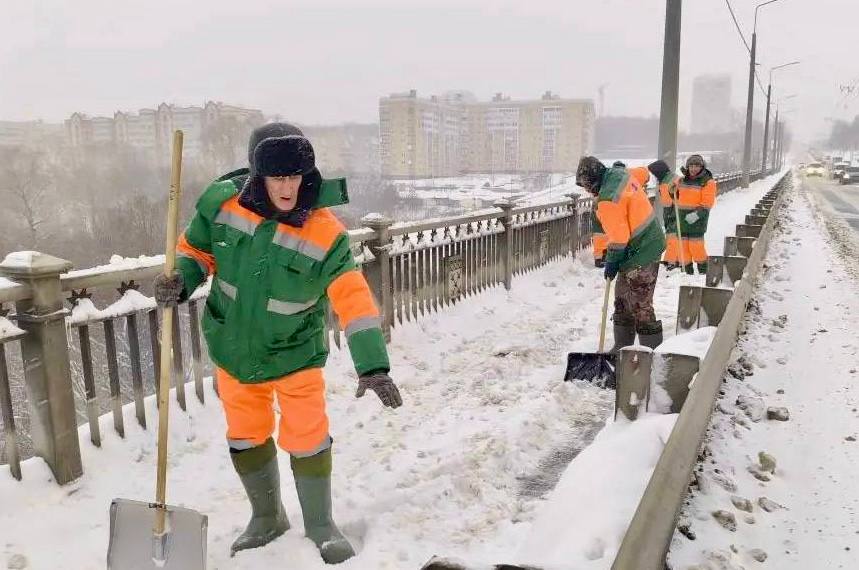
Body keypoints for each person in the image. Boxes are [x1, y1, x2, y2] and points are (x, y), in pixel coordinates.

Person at [154, 122, 402, 564]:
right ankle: (266, 517)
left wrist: (373, 364)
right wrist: (181, 280)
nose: (287, 186)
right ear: (257, 174)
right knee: (246, 435)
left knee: (306, 436)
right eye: (277, 176)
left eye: (295, 176)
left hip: (295, 355)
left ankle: (320, 524)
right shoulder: (222, 206)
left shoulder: (326, 234)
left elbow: (354, 299)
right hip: (233, 349)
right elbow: (196, 251)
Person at [575, 156, 666, 351]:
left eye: (586, 185)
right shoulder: (619, 174)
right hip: (641, 244)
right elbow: (642, 174)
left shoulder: (608, 199)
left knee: (640, 304)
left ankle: (650, 354)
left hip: (643, 250)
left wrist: (611, 262)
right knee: (623, 298)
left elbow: (619, 239)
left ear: (593, 180)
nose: (586, 190)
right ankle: (622, 347)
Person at [655, 154, 717, 274]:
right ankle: (687, 272)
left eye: (696, 166)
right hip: (681, 219)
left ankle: (703, 271)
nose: (693, 169)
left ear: (702, 166)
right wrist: (671, 189)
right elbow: (675, 194)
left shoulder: (707, 182)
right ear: (687, 167)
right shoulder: (682, 180)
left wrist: (696, 215)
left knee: (696, 247)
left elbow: (707, 204)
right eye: (691, 166)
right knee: (682, 248)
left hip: (698, 220)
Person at [648, 159, 684, 270]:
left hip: (675, 211)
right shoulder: (669, 178)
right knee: (671, 236)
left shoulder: (668, 181)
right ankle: (673, 258)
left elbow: (676, 195)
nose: (654, 176)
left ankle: (673, 261)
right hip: (672, 211)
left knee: (673, 236)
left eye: (654, 173)